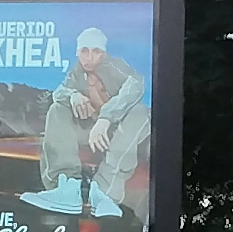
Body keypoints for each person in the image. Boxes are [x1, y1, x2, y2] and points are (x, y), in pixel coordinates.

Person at [20, 27, 150, 221]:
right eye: (84, 51)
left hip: (119, 132)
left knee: (140, 112)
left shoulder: (115, 66)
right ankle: (66, 188)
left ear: (103, 53)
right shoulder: (76, 73)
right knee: (58, 109)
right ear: (77, 52)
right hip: (90, 132)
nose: (89, 57)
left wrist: (106, 118)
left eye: (96, 51)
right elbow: (59, 92)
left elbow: (137, 84)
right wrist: (73, 95)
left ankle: (105, 194)